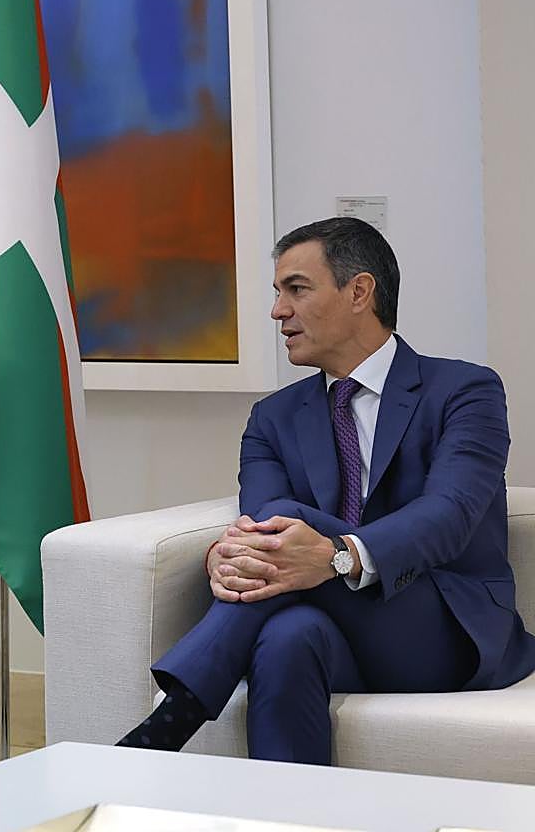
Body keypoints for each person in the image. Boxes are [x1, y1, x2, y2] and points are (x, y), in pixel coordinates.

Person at [117, 217, 535, 764]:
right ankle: (291, 822)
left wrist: (338, 559)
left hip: (442, 629)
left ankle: (170, 723)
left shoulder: (464, 390)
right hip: (334, 636)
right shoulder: (273, 418)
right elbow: (263, 529)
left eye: (296, 289)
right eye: (277, 293)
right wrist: (227, 555)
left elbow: (449, 514)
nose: (277, 311)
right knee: (286, 637)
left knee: (290, 518)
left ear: (359, 291)